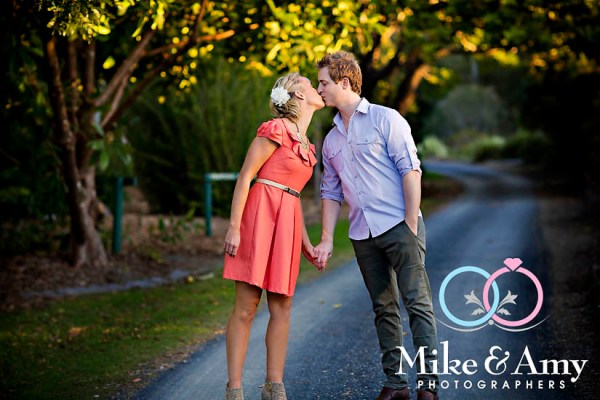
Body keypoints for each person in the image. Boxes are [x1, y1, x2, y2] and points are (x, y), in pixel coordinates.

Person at [313, 51, 440, 400]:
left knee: (417, 303)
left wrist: (410, 222)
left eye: (323, 83)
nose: (319, 89)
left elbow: (410, 170)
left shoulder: (386, 118)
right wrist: (326, 238)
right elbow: (330, 192)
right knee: (384, 308)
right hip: (362, 234)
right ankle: (396, 384)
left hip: (399, 226)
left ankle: (428, 386)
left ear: (344, 82)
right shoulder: (331, 140)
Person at [222, 72, 324, 400]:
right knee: (247, 306)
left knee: (282, 305)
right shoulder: (275, 129)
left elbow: (292, 194)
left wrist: (306, 243)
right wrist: (234, 227)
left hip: (288, 225)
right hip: (259, 217)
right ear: (297, 95)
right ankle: (234, 390)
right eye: (310, 84)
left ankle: (273, 387)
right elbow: (245, 177)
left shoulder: (307, 145)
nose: (317, 88)